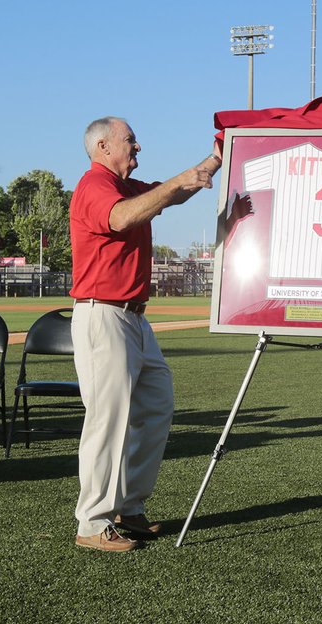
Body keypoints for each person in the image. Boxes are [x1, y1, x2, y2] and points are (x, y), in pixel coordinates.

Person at [68, 116, 221, 552]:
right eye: (129, 140)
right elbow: (120, 219)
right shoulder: (95, 185)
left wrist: (216, 159)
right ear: (103, 146)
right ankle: (93, 523)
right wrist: (175, 183)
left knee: (156, 404)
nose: (137, 147)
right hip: (103, 314)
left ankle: (128, 508)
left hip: (134, 317)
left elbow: (175, 193)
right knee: (108, 420)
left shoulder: (126, 186)